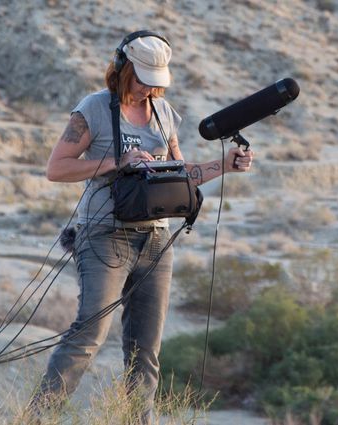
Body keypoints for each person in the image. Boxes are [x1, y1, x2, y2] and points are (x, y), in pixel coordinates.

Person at [30, 31, 253, 421]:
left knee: (146, 349)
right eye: (143, 77)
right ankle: (39, 417)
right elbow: (56, 169)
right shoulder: (94, 109)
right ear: (123, 69)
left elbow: (180, 174)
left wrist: (224, 166)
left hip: (155, 241)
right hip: (104, 236)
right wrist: (118, 162)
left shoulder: (165, 115)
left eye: (156, 80)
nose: (150, 86)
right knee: (89, 334)